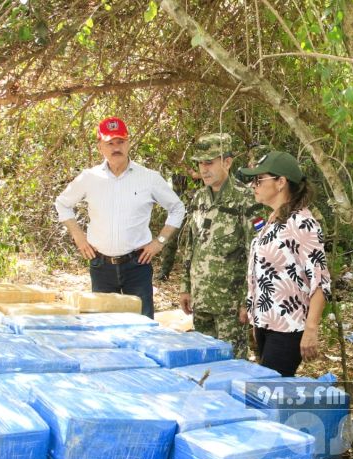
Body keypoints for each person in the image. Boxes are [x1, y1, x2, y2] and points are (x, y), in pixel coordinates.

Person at [55, 117, 184, 319]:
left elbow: (177, 208)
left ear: (128, 143)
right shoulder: (89, 178)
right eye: (110, 143)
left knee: (143, 328)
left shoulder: (148, 178)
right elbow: (62, 203)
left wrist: (159, 242)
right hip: (101, 265)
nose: (116, 148)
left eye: (120, 142)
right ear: (100, 147)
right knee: (103, 329)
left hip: (137, 265)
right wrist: (78, 237)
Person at [238, 151, 331, 377]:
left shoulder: (302, 223)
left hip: (288, 328)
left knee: (268, 391)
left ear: (280, 182)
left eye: (259, 180)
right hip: (266, 324)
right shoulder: (273, 219)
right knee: (268, 392)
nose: (253, 185)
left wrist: (311, 329)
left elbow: (320, 281)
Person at [180, 133, 259, 357]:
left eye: (209, 162)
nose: (203, 169)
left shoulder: (246, 199)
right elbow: (191, 246)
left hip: (230, 307)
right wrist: (186, 287)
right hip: (201, 299)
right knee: (204, 364)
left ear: (227, 162)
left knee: (231, 366)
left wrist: (247, 301)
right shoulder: (199, 199)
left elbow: (254, 254)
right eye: (200, 163)